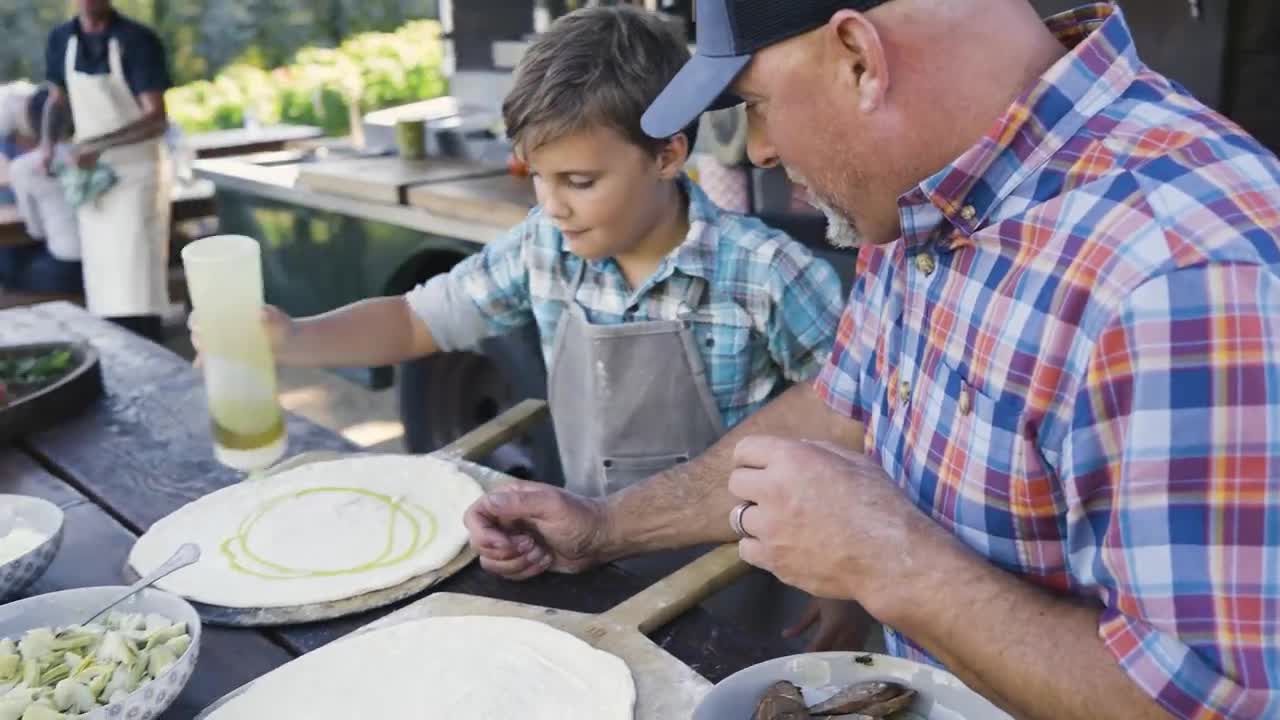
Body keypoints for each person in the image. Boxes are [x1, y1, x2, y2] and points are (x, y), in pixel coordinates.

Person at [464, 0, 1280, 717]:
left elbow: (1218, 702)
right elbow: (842, 413)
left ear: (859, 58)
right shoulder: (921, 200)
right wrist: (604, 527)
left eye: (753, 105)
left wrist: (891, 562)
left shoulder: (1186, 270)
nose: (758, 151)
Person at [191, 6, 845, 644]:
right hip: (597, 561)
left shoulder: (767, 273)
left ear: (668, 154)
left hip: (743, 581)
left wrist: (842, 584)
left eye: (580, 180)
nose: (553, 205)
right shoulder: (544, 248)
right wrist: (293, 339)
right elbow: (417, 320)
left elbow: (856, 436)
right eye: (538, 177)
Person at [40, 0, 172, 342]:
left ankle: (150, 357)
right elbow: (57, 99)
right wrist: (47, 145)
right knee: (103, 282)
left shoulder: (136, 40)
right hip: (92, 181)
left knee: (136, 282)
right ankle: (119, 357)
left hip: (135, 175)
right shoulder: (61, 40)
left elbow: (156, 118)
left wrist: (98, 145)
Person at [0, 84, 83, 296]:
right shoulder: (95, 153)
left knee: (8, 264)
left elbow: (35, 231)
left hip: (69, 270)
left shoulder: (26, 166)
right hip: (109, 259)